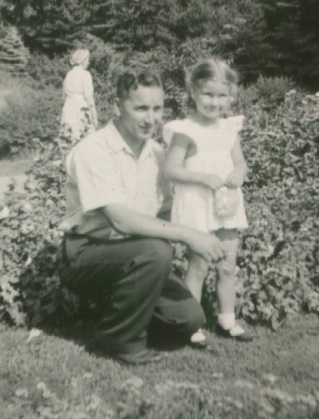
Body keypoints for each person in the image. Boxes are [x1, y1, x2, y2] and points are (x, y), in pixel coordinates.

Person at [59, 68, 228, 365]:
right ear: (116, 106)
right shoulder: (95, 149)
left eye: (157, 108)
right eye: (140, 108)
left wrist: (207, 230)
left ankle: (116, 313)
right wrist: (188, 235)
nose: (150, 118)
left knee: (189, 319)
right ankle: (119, 339)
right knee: (156, 251)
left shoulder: (158, 155)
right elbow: (121, 220)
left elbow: (166, 212)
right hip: (85, 253)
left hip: (136, 255)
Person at [163, 59, 254, 343]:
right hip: (197, 203)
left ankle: (227, 319)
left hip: (227, 203)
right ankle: (193, 323)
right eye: (208, 94)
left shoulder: (230, 128)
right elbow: (171, 169)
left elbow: (240, 162)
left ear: (231, 96)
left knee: (227, 263)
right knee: (199, 265)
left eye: (221, 96)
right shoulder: (185, 130)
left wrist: (238, 172)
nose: (215, 102)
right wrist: (202, 177)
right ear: (193, 92)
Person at [61, 48, 98, 140]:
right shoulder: (85, 75)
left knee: (69, 136)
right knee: (85, 137)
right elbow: (89, 97)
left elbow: (63, 96)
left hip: (68, 107)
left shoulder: (69, 74)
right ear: (83, 60)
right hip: (81, 108)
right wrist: (94, 117)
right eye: (88, 60)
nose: (88, 63)